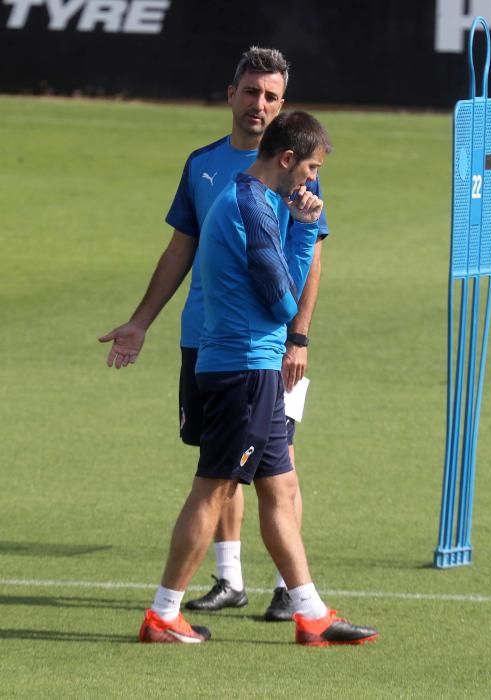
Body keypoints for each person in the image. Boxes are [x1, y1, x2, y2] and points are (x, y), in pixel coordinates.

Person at [99, 47, 327, 621]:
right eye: (251, 92)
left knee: (274, 464)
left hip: (267, 344)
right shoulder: (205, 165)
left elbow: (310, 254)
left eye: (272, 97)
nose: (260, 104)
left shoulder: (294, 165)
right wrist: (140, 321)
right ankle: (232, 579)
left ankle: (289, 591)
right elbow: (182, 246)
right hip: (208, 340)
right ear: (231, 94)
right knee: (223, 461)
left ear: (283, 107)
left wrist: (298, 337)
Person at [138, 109, 378, 645]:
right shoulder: (251, 208)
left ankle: (310, 612)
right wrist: (307, 229)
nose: (313, 180)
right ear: (287, 159)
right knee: (215, 489)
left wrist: (299, 224)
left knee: (281, 483)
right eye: (311, 168)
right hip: (244, 370)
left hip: (254, 367)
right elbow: (282, 303)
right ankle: (163, 614)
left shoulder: (262, 202)